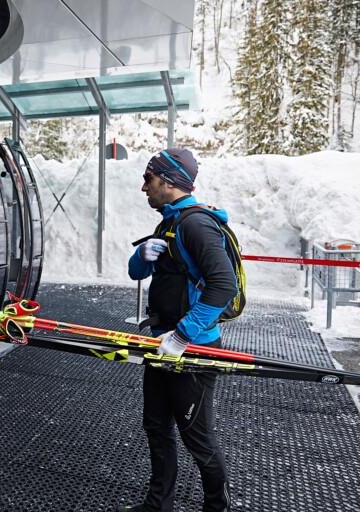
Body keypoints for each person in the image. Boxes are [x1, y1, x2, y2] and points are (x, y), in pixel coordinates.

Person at [118, 148, 238, 512]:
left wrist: (183, 335)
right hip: (162, 343)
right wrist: (141, 256)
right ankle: (158, 506)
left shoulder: (195, 225)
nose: (144, 187)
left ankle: (217, 508)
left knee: (197, 438)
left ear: (169, 181)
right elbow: (136, 273)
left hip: (193, 348)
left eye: (149, 179)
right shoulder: (168, 224)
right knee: (156, 427)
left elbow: (224, 285)